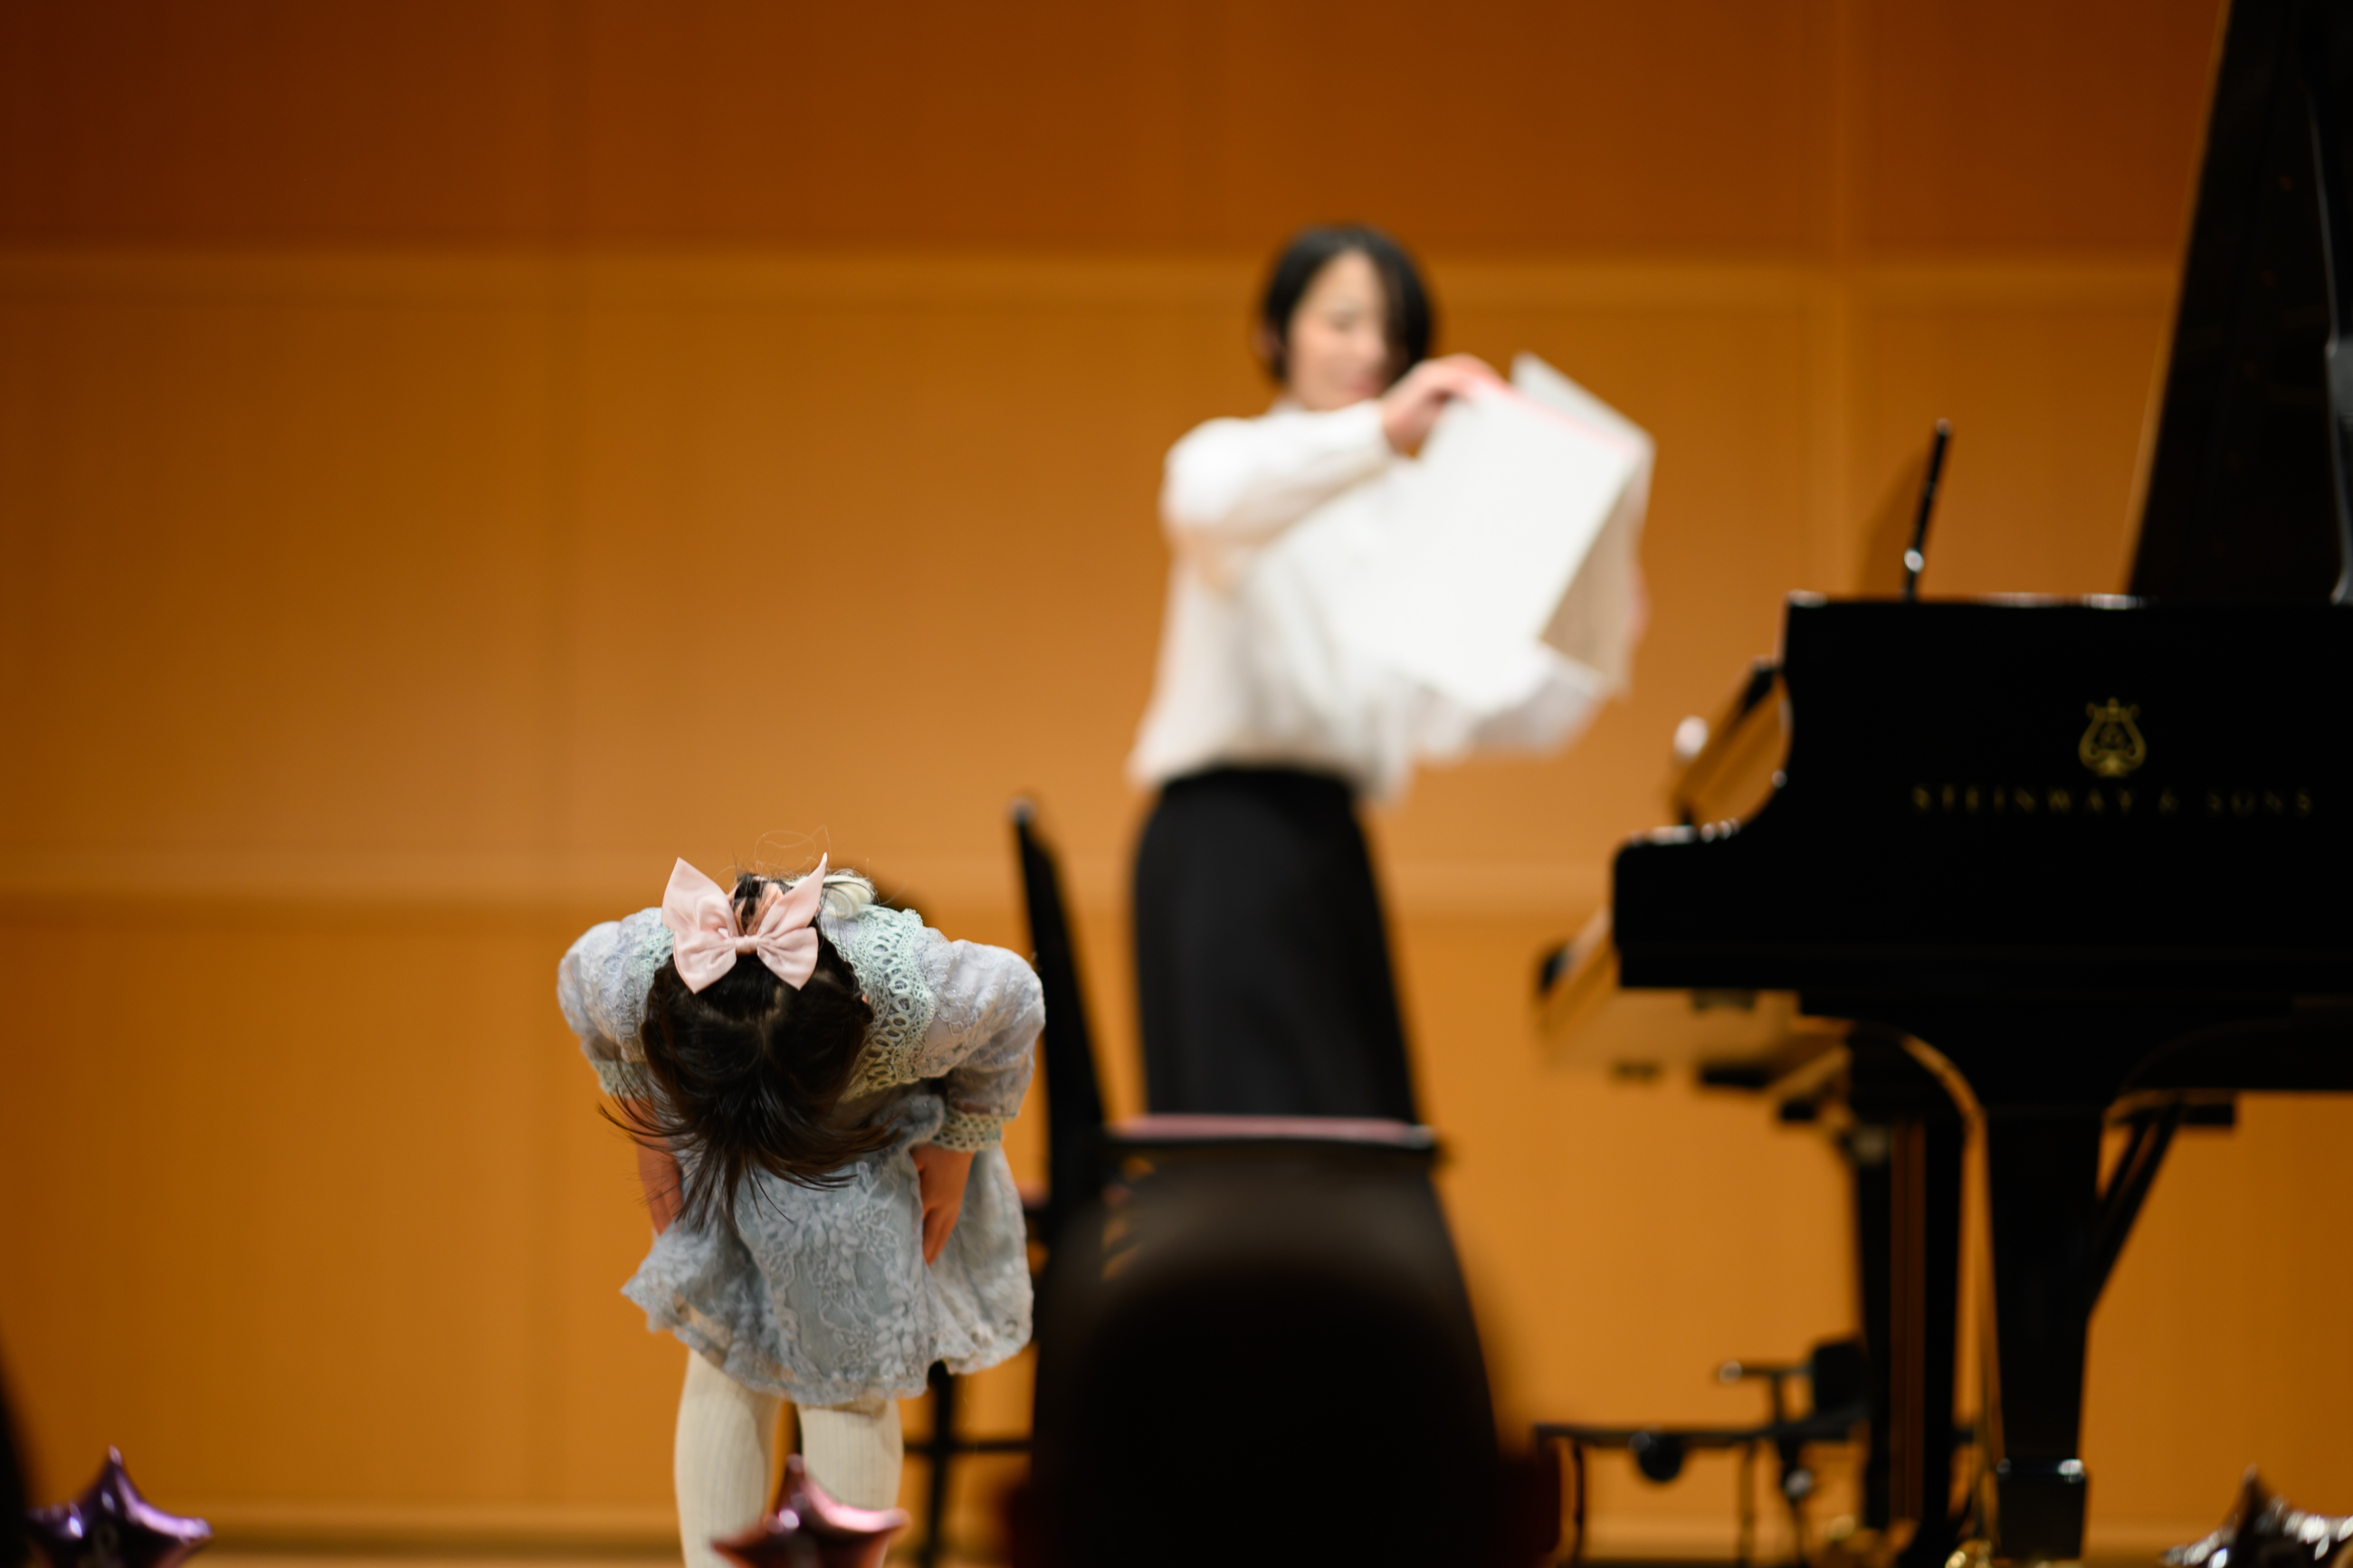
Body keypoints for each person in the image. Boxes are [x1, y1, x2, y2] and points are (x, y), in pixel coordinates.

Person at [557, 854, 1041, 1567]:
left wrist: (961, 1138)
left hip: (861, 1151)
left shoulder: (912, 991)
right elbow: (582, 985)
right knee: (724, 1353)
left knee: (847, 1369)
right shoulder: (636, 974)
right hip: (721, 1151)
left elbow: (1016, 1000)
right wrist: (652, 1124)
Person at [1129, 223, 1509, 1124]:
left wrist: (1584, 632)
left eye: (1391, 331)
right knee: (1251, 1144)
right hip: (1222, 844)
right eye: (1341, 320)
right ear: (1272, 335)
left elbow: (1454, 708)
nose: (1370, 350)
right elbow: (1206, 504)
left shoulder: (1411, 508)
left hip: (1330, 847)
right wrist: (1378, 432)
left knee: (1361, 1142)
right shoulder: (1230, 457)